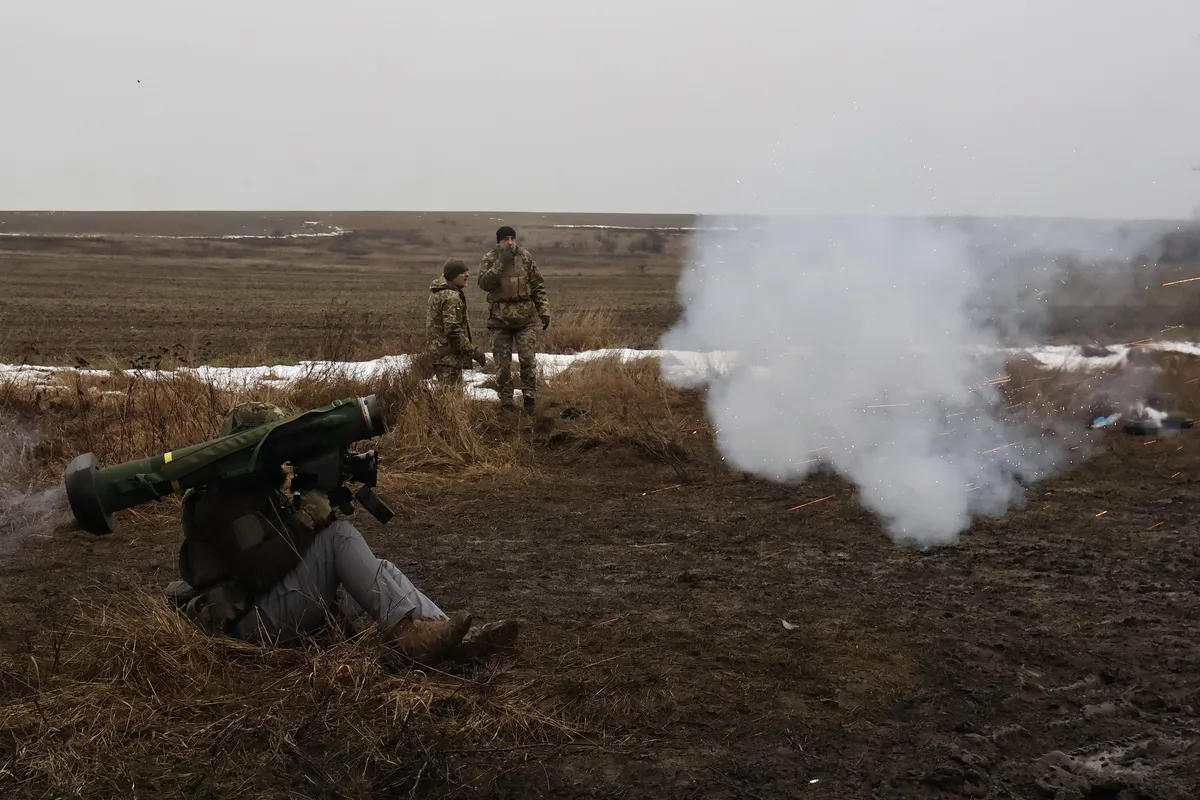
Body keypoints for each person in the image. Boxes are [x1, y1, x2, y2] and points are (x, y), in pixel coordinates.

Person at [165, 401, 519, 664]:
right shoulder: (222, 502)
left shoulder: (253, 492)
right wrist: (308, 521)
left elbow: (286, 556)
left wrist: (311, 512)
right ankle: (409, 638)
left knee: (382, 569)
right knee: (339, 539)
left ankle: (448, 639)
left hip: (270, 611)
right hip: (250, 629)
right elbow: (260, 572)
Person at [477, 226, 551, 411]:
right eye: (505, 239)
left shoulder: (525, 257)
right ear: (498, 242)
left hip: (524, 320)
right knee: (502, 364)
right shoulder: (490, 259)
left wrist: (544, 311)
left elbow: (537, 286)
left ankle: (529, 398)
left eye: (512, 238)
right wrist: (501, 263)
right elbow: (484, 284)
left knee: (528, 360)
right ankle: (506, 401)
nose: (509, 242)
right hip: (500, 320)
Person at [425, 258, 487, 384]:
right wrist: (474, 353)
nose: (467, 275)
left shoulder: (438, 293)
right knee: (451, 397)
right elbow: (453, 332)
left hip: (440, 355)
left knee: (445, 396)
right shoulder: (451, 297)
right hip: (448, 358)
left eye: (467, 272)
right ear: (453, 276)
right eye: (462, 272)